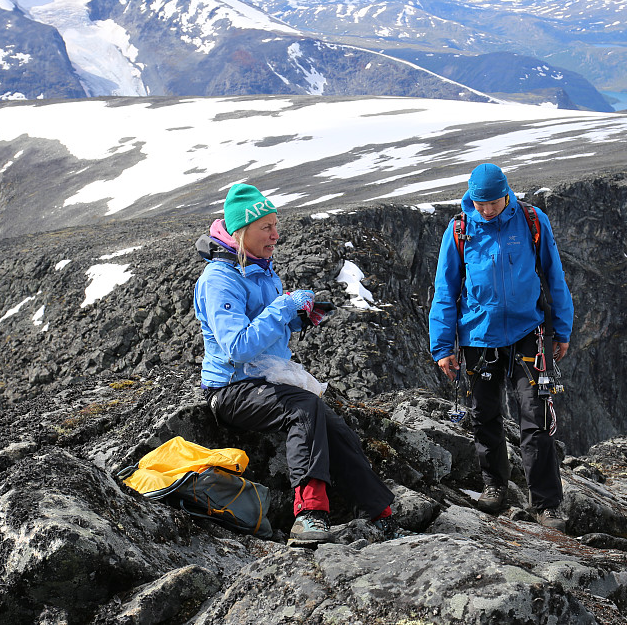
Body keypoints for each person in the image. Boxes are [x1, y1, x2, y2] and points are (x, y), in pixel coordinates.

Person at [193, 183, 397, 545]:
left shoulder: (260, 267)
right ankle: (309, 515)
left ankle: (380, 511)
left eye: (275, 225)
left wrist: (298, 320)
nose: (276, 234)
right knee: (304, 408)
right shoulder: (219, 279)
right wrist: (283, 307)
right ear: (241, 231)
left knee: (335, 427)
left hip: (262, 378)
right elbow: (238, 346)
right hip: (230, 388)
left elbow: (264, 330)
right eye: (266, 227)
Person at [429, 163, 574, 532]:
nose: (486, 209)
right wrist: (443, 346)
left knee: (536, 417)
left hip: (529, 332)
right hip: (479, 337)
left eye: (492, 202)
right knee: (485, 415)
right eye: (480, 203)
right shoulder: (459, 229)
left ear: (506, 193)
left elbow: (553, 275)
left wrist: (561, 329)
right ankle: (494, 487)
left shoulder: (531, 220)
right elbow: (445, 291)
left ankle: (546, 505)